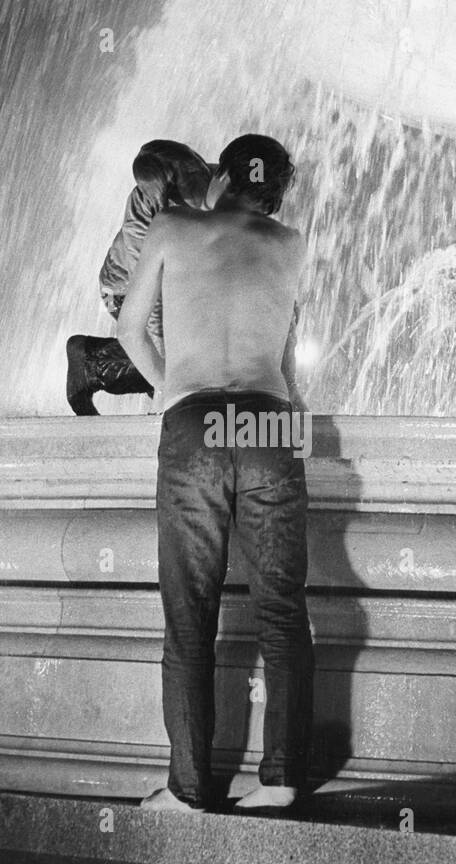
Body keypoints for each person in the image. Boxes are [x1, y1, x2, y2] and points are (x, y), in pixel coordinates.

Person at [117, 134, 312, 813]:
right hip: (269, 422)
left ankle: (191, 789)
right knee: (283, 612)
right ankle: (282, 780)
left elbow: (128, 328)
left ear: (225, 175)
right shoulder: (289, 242)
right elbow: (286, 355)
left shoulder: (174, 225)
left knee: (189, 619)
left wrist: (172, 386)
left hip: (195, 420)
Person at [65, 140, 212, 415]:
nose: (200, 189)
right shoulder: (142, 217)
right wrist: (166, 385)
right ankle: (91, 362)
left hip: (182, 284)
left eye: (198, 172)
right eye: (185, 186)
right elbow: (152, 305)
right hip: (124, 289)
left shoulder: (220, 182)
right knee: (171, 363)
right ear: (165, 195)